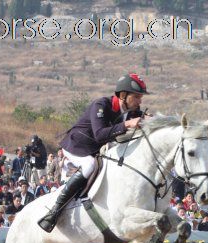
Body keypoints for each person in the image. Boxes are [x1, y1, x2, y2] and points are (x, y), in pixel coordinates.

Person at [38, 73, 148, 232]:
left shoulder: (131, 111)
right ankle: (55, 211)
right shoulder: (101, 105)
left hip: (94, 148)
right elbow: (100, 134)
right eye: (137, 97)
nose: (140, 101)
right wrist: (127, 124)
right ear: (123, 95)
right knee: (89, 165)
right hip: (76, 145)